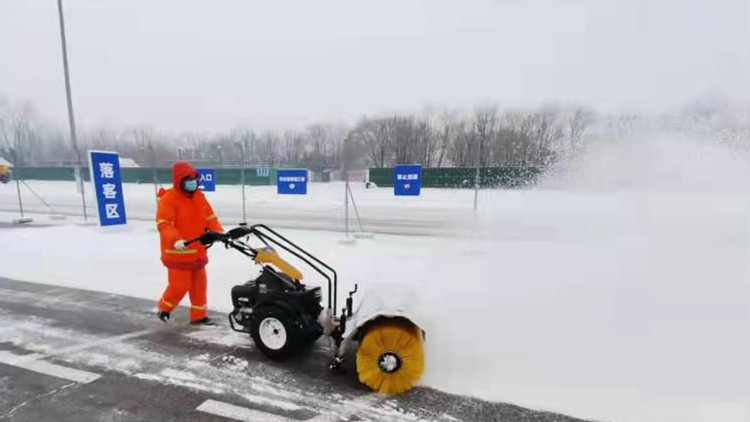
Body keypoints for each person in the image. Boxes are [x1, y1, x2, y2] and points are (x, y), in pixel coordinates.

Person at [155, 161, 224, 325]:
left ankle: (199, 316)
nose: (193, 182)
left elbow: (210, 217)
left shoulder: (200, 196)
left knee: (199, 286)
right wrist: (176, 240)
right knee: (180, 286)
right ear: (179, 181)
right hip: (178, 252)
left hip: (198, 251)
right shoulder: (169, 199)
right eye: (188, 179)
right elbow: (164, 224)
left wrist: (219, 232)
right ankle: (164, 308)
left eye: (194, 178)